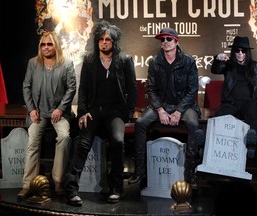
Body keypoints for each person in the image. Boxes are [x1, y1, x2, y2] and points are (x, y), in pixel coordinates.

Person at [64, 20, 137, 206]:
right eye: (101, 39)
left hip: (115, 112)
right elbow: (84, 89)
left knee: (118, 141)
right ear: (97, 41)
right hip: (94, 111)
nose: (104, 42)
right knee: (83, 142)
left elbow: (132, 88)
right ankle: (71, 189)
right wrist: (83, 112)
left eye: (108, 39)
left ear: (114, 42)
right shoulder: (89, 61)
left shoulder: (124, 60)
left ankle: (115, 188)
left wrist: (126, 113)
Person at [128, 27, 205, 186]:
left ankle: (189, 172)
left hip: (184, 105)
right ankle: (140, 170)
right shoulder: (155, 62)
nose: (165, 42)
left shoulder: (188, 61)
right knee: (141, 123)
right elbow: (151, 89)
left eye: (168, 39)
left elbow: (192, 90)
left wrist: (178, 111)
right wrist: (160, 110)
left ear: (177, 41)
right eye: (162, 40)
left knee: (193, 124)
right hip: (161, 105)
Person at [17, 31, 76, 199]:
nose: (46, 47)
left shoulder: (66, 64)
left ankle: (57, 181)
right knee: (33, 140)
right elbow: (26, 86)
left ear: (55, 45)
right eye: (43, 44)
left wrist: (60, 108)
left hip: (59, 112)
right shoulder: (33, 63)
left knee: (64, 137)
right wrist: (31, 109)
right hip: (39, 112)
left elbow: (72, 88)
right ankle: (28, 184)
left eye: (49, 44)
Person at [211, 36, 257, 157]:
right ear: (233, 52)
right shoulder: (228, 65)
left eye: (243, 51)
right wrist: (217, 58)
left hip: (249, 102)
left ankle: (251, 145)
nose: (240, 53)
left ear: (247, 52)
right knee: (219, 116)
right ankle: (209, 145)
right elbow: (215, 70)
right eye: (237, 50)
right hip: (230, 103)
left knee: (253, 111)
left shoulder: (255, 66)